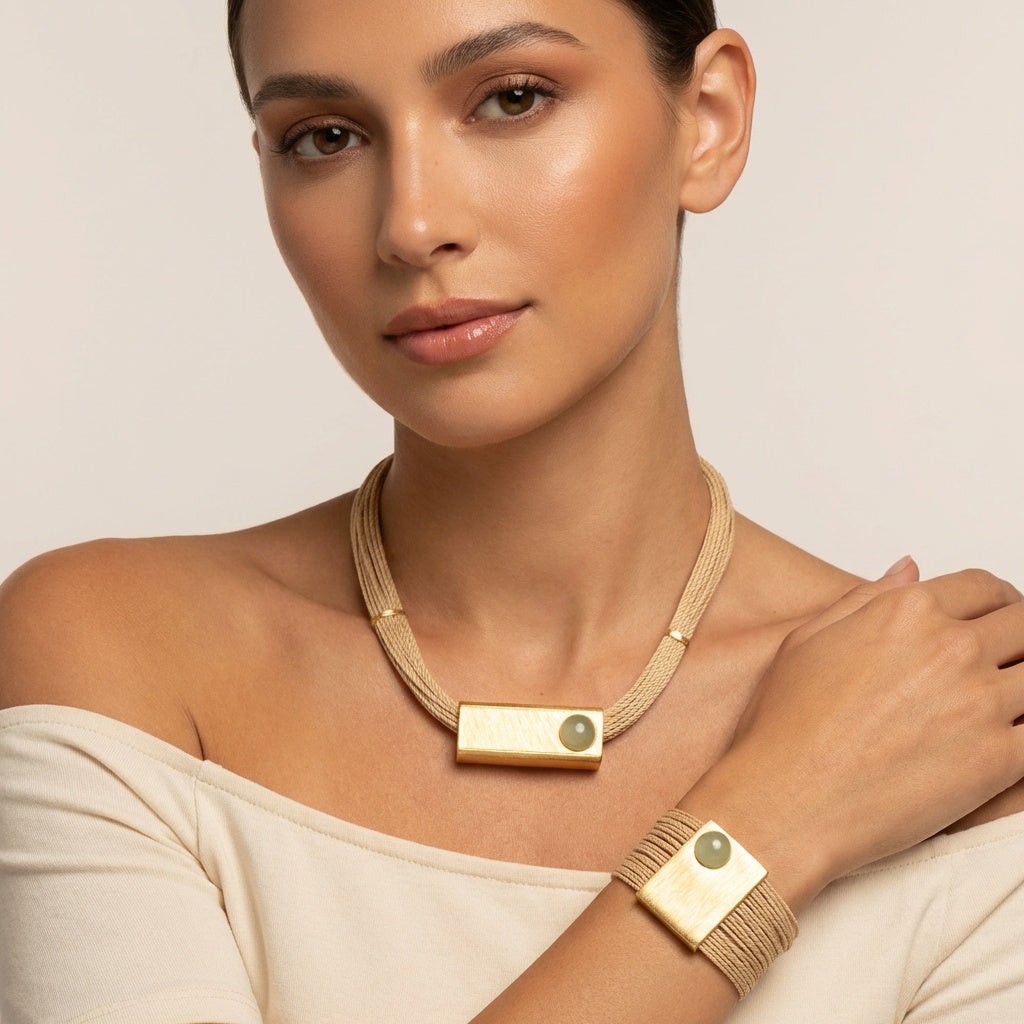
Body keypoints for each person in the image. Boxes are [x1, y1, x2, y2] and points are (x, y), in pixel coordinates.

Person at [1, 1, 1022, 1021]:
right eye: (326, 136)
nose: (411, 224)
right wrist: (766, 820)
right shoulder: (119, 660)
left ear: (706, 118)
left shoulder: (953, 739)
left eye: (511, 99)